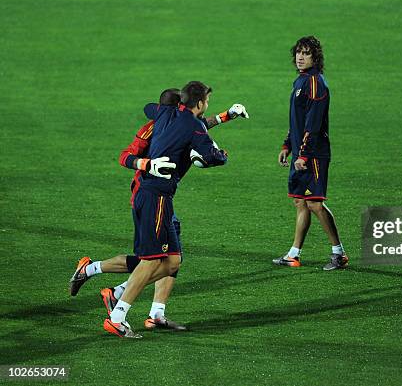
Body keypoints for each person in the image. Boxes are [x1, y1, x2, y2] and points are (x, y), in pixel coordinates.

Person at [69, 88, 248, 331]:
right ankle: (115, 301)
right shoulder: (153, 127)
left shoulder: (174, 119)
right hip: (151, 194)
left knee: (173, 259)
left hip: (163, 198)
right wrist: (147, 163)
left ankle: (153, 312)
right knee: (151, 259)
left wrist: (225, 116)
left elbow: (195, 127)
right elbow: (126, 156)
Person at [273, 36, 348, 270]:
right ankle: (294, 254)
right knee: (300, 202)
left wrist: (303, 154)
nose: (300, 57)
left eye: (306, 53)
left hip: (314, 154)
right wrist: (288, 145)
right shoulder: (301, 81)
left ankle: (339, 254)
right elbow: (297, 120)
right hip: (301, 152)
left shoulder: (316, 83)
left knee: (315, 204)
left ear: (315, 57)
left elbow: (313, 124)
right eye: (298, 52)